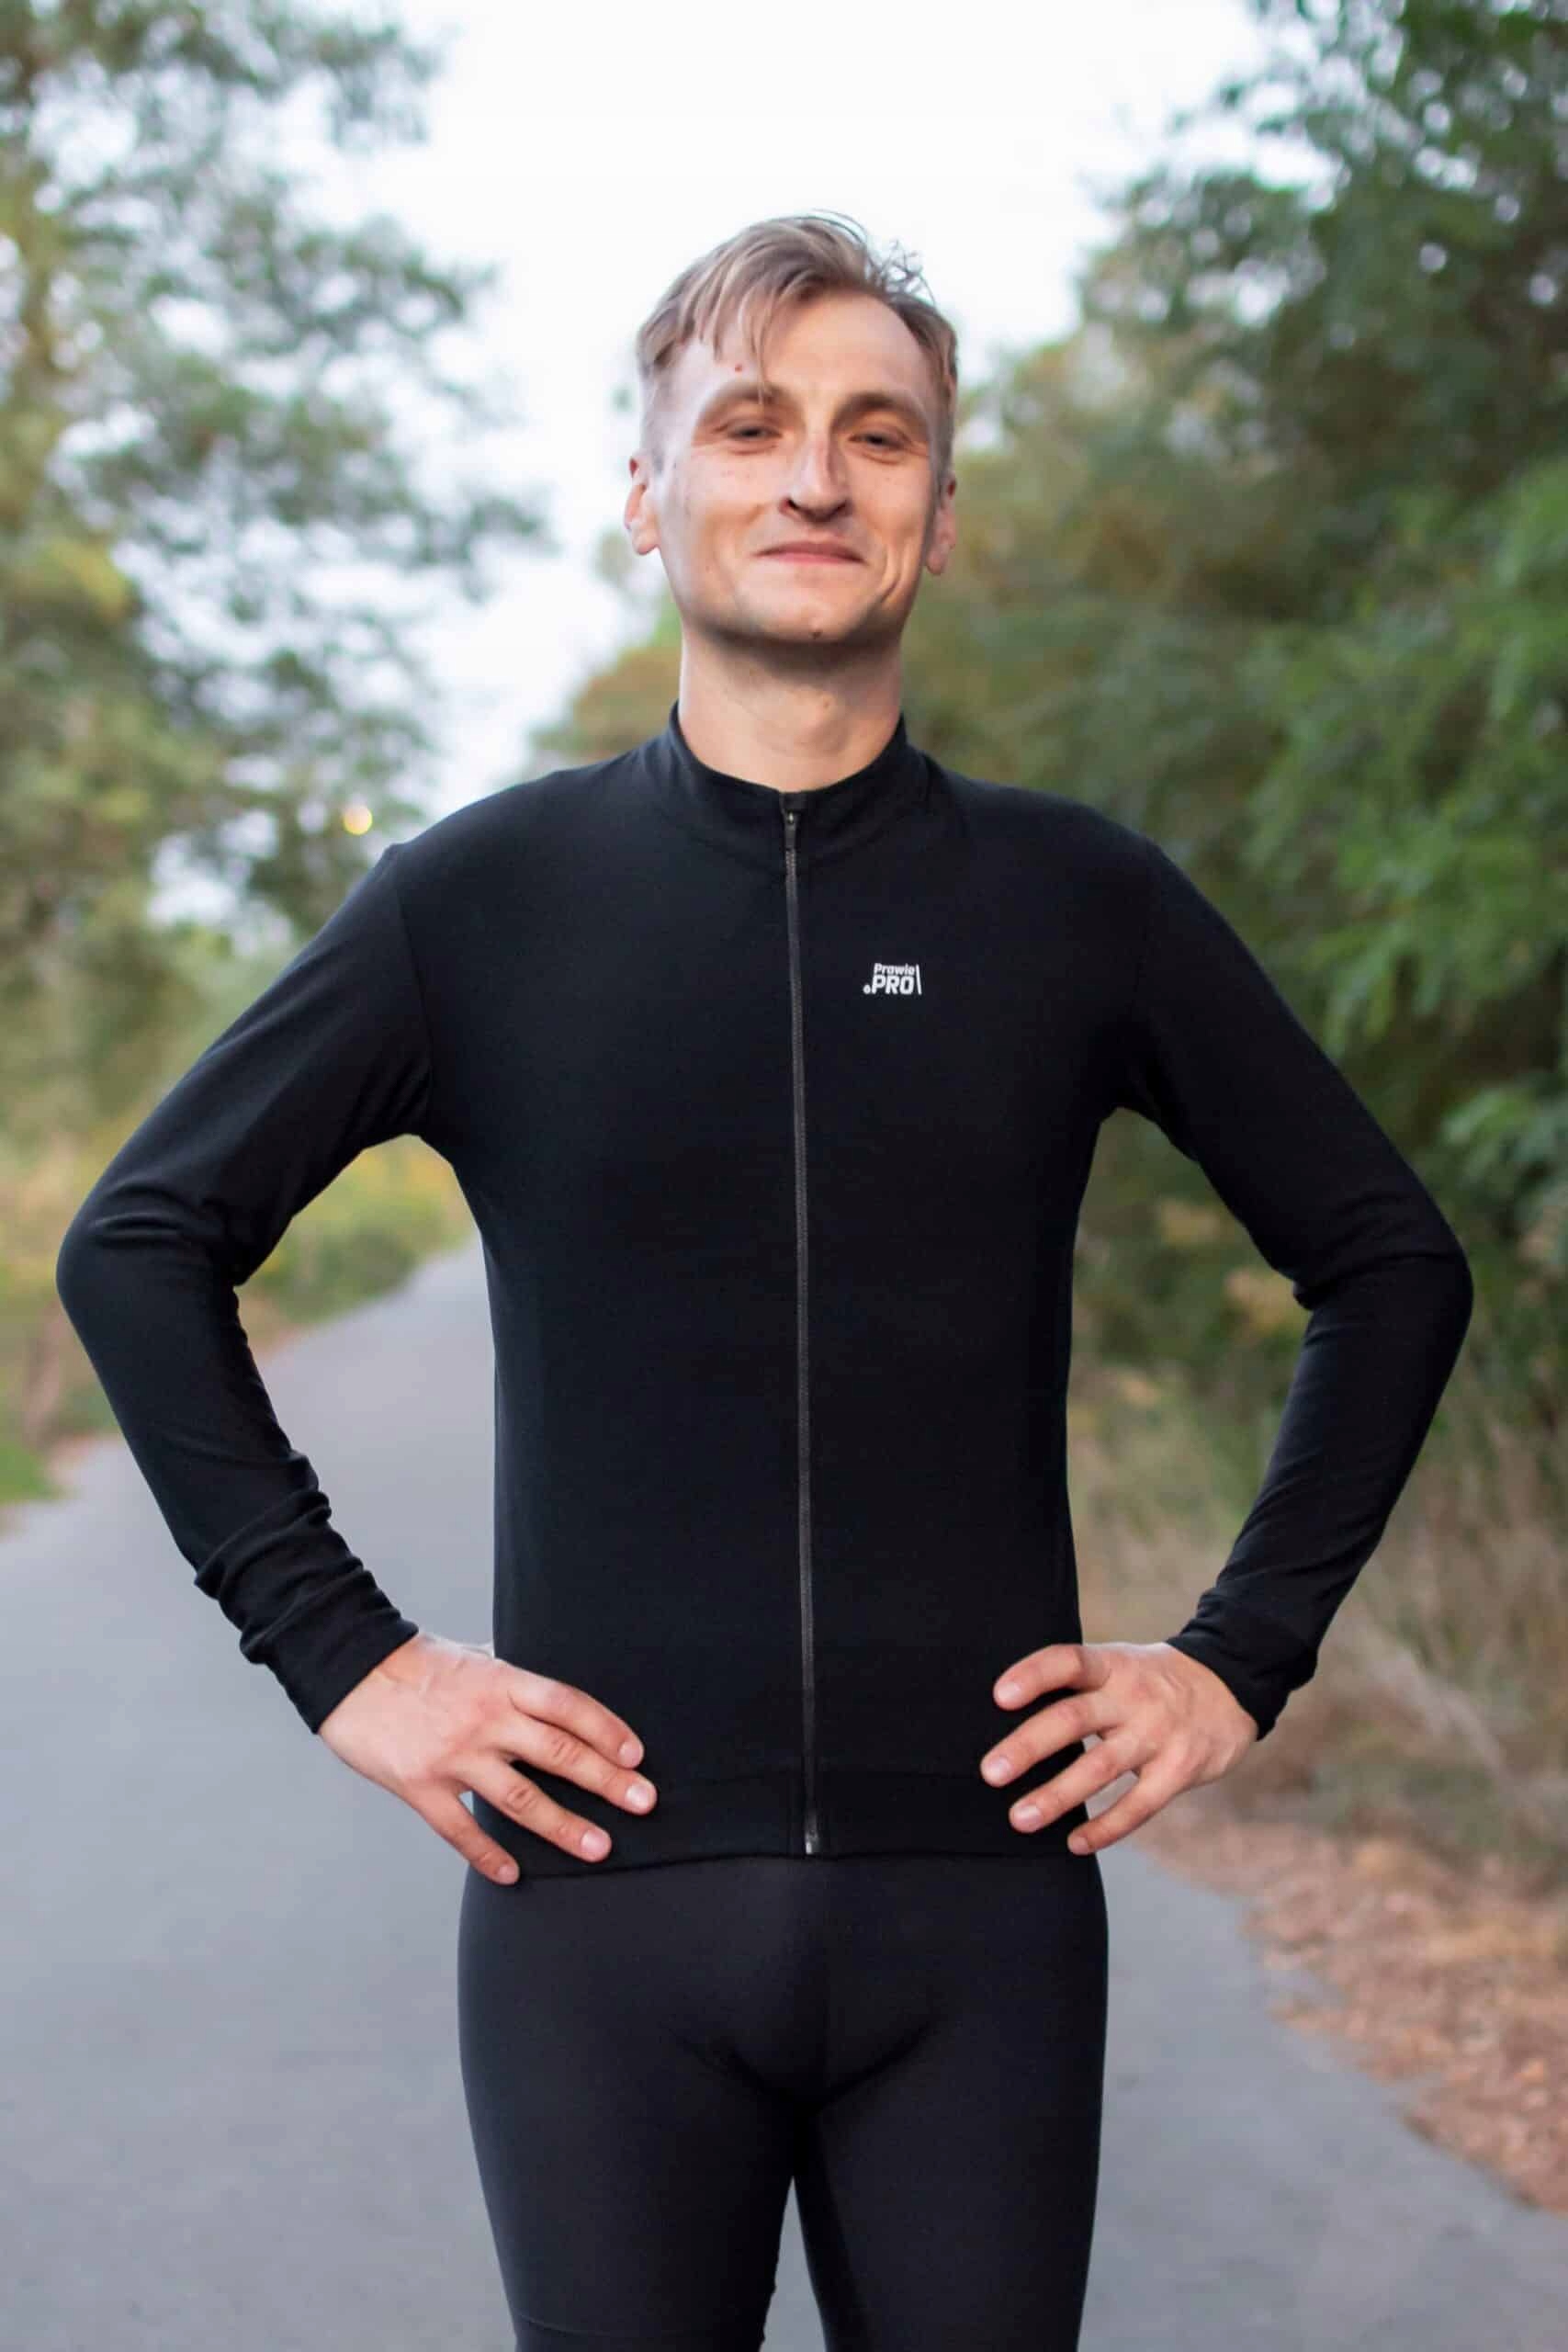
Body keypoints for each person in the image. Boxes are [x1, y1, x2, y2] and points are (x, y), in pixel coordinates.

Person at [55, 211, 1474, 2351]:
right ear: (648, 493)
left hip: (979, 1922)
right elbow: (140, 1241)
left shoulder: (1073, 902)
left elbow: (1386, 1257)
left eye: (874, 432)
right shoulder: (479, 901)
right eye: (747, 424)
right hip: (597, 1924)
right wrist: (347, 1656)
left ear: (936, 510)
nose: (812, 474)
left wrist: (1233, 1654)